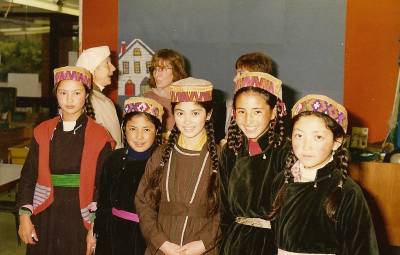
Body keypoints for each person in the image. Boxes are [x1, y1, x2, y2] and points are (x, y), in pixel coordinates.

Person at [17, 66, 115, 255]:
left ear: (86, 95)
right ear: (56, 95)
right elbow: (28, 177)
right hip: (45, 212)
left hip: (80, 214)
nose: (69, 99)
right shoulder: (43, 131)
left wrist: (95, 227)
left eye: (76, 93)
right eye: (63, 93)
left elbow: (103, 186)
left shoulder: (99, 135)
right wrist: (24, 217)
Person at [269, 94, 379, 255]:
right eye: (299, 135)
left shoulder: (347, 191)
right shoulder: (281, 182)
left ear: (337, 141)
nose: (306, 146)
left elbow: (363, 248)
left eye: (318, 137)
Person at [135, 77, 220, 255]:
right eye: (180, 113)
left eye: (195, 113)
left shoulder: (221, 157)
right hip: (162, 247)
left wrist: (204, 243)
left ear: (209, 114)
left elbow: (227, 210)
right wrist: (162, 243)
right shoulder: (161, 154)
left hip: (203, 248)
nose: (187, 121)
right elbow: (143, 202)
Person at [219, 70, 288, 255]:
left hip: (272, 245)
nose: (248, 120)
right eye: (242, 111)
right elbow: (223, 208)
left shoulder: (285, 152)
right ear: (233, 113)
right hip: (233, 243)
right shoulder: (230, 151)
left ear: (274, 112)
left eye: (257, 112)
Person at [94, 96, 164, 255]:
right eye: (133, 129)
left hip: (149, 239)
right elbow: (104, 203)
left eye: (146, 129)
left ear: (157, 130)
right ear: (124, 129)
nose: (139, 137)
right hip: (113, 236)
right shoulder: (113, 160)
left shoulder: (163, 163)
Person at [76, 45, 123, 148]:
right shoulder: (90, 101)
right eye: (107, 63)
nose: (114, 68)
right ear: (92, 70)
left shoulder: (100, 100)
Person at [144, 48, 188, 137]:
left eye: (162, 69)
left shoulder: (187, 99)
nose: (156, 74)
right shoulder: (147, 99)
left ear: (176, 71)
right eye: (155, 69)